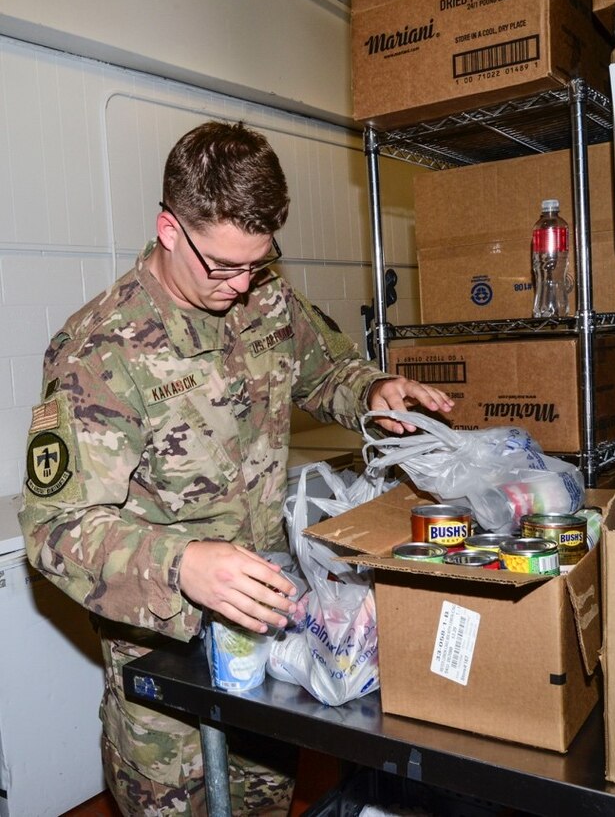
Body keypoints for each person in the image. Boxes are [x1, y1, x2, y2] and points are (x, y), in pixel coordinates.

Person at [18, 120, 453, 816]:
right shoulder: (100, 351)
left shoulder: (267, 296)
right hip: (167, 665)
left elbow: (326, 370)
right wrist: (181, 564)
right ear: (168, 228)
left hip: (262, 636)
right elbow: (54, 529)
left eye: (258, 260)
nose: (241, 283)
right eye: (222, 266)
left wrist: (371, 392)